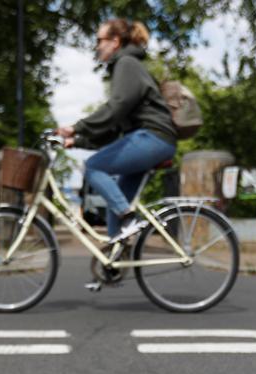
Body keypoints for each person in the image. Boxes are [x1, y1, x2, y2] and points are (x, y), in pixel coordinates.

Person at [57, 18, 177, 245]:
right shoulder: (125, 66)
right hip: (147, 139)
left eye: (99, 40)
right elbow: (113, 130)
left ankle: (129, 218)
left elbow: (116, 107)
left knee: (93, 166)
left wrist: (76, 127)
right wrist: (77, 141)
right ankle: (113, 266)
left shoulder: (127, 64)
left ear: (115, 41)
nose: (97, 45)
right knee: (115, 205)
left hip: (152, 137)